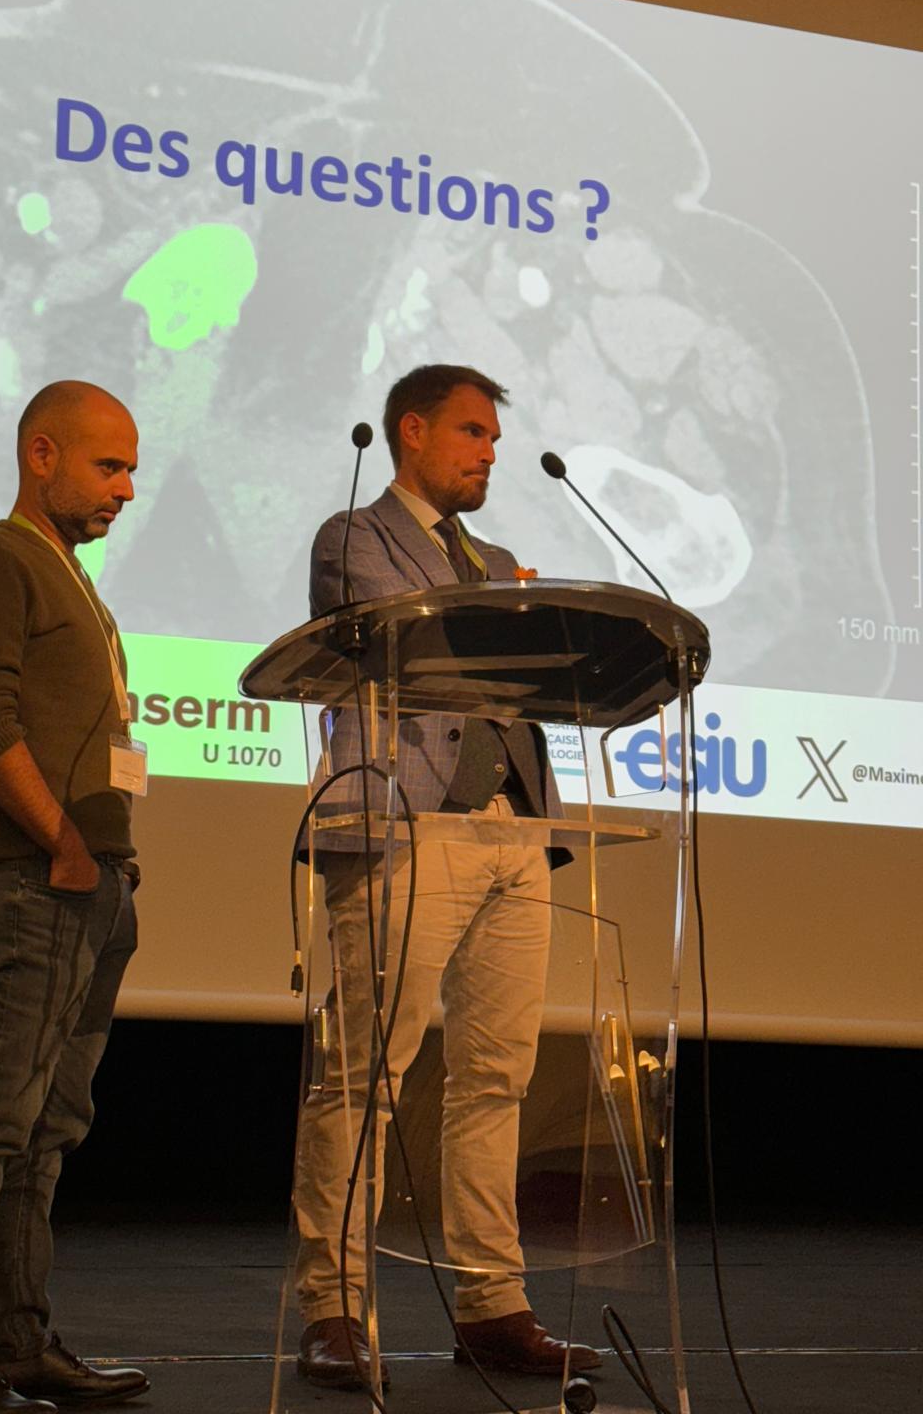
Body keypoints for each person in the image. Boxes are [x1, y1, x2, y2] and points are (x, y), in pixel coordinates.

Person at [294, 364, 600, 1389]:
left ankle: (491, 1304)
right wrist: (509, 622)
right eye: (473, 432)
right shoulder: (354, 537)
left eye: (495, 439)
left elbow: (523, 678)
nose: (490, 453)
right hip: (404, 822)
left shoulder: (500, 562)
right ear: (413, 432)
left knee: (498, 1076)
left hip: (514, 828)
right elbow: (407, 641)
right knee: (365, 1071)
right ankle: (335, 1306)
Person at [0, 381, 151, 1413]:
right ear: (41, 455)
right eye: (109, 465)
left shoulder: (69, 578)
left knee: (48, 1126)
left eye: (131, 469)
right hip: (24, 881)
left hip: (90, 885)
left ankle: (16, 1343)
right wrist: (62, 842)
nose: (126, 489)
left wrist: (104, 861)